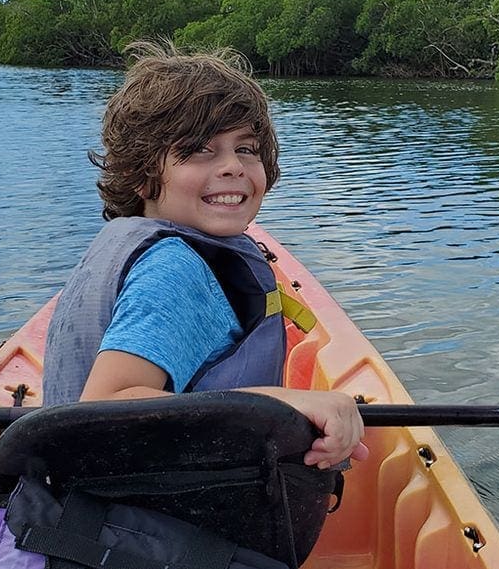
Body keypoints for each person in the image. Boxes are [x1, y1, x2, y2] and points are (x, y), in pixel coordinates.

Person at [42, 40, 367, 471]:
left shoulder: (137, 245)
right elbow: (105, 410)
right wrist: (282, 400)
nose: (233, 166)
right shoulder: (175, 270)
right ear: (141, 175)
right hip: (154, 522)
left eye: (246, 149)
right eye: (199, 149)